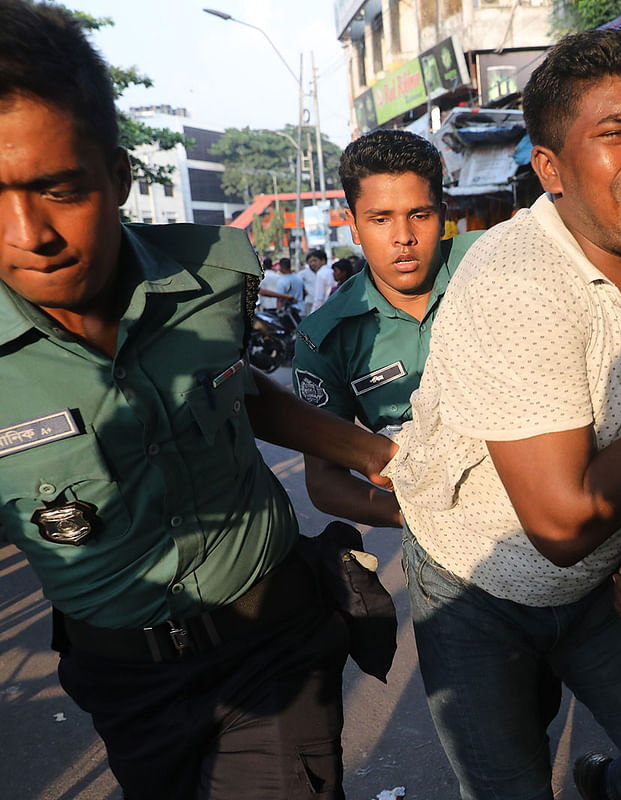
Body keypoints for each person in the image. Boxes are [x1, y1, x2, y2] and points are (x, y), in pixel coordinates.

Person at [0, 3, 398, 798]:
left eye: (56, 189)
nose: (26, 232)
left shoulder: (214, 279)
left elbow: (235, 387)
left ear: (117, 178)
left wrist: (378, 455)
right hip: (122, 685)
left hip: (272, 646)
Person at [384, 27, 621, 800]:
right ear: (550, 170)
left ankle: (599, 783)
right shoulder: (519, 283)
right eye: (616, 131)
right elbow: (561, 525)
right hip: (474, 592)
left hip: (598, 587)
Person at [292, 130, 481, 528]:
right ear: (354, 227)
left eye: (420, 215)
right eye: (380, 219)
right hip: (441, 552)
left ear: (443, 215)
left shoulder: (494, 264)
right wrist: (420, 519)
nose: (403, 238)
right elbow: (324, 480)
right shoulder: (325, 339)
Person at [303, 247, 335, 314]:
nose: (312, 264)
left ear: (323, 261)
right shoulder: (330, 271)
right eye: (310, 262)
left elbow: (319, 299)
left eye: (315, 260)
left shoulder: (321, 274)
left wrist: (312, 315)